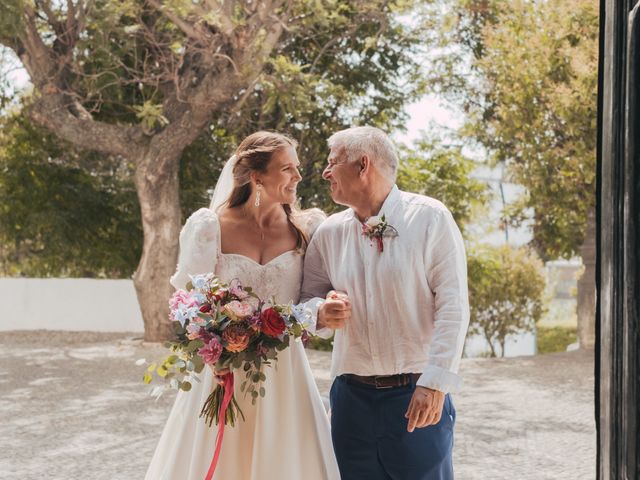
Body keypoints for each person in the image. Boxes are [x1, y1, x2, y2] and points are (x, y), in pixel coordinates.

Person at [145, 131, 340, 480]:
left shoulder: (307, 228)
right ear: (257, 177)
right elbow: (188, 303)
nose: (298, 176)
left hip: (285, 374)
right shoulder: (210, 226)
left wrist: (321, 312)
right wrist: (211, 350)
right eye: (287, 168)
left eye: (296, 168)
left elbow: (313, 299)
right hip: (224, 374)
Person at [301, 126, 469, 480]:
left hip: (416, 396)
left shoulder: (430, 218)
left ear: (363, 165)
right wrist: (321, 311)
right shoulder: (328, 234)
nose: (326, 172)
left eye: (332, 163)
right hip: (350, 402)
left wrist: (434, 383)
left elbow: (453, 306)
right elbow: (305, 303)